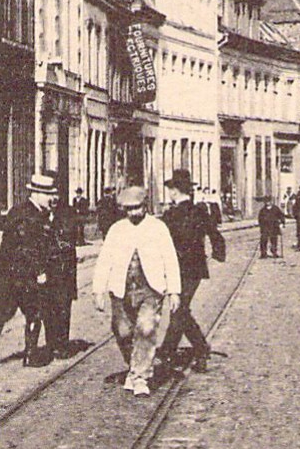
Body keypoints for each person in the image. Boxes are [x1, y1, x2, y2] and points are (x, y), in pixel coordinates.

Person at [92, 186, 181, 398]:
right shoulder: (117, 229)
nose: (133, 213)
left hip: (150, 288)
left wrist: (174, 290)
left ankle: (140, 376)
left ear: (145, 205)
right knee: (122, 331)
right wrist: (98, 289)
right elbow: (105, 260)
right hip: (121, 289)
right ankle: (135, 367)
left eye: (137, 208)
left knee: (147, 328)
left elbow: (170, 258)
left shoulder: (158, 228)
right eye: (128, 209)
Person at [0, 173, 59, 368]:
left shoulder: (19, 211)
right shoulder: (30, 215)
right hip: (24, 274)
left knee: (3, 311)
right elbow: (26, 248)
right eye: (49, 194)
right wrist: (40, 271)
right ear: (37, 194)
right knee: (34, 312)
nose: (52, 199)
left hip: (6, 272)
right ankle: (30, 356)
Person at [155, 169, 226, 372]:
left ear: (175, 191)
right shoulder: (200, 211)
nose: (169, 193)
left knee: (180, 310)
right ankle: (181, 348)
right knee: (181, 309)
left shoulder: (170, 215)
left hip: (177, 269)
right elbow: (214, 233)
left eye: (170, 189)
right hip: (195, 268)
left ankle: (193, 349)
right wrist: (218, 252)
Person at [46, 180, 82, 358]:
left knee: (62, 306)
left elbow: (68, 240)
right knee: (47, 307)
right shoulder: (41, 213)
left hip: (63, 269)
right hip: (46, 270)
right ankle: (50, 343)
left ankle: (61, 344)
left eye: (55, 194)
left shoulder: (67, 212)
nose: (52, 198)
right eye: (49, 194)